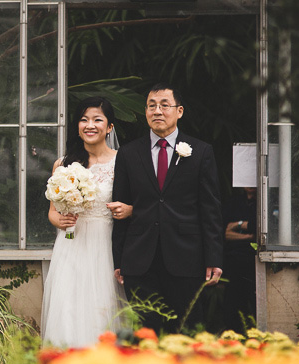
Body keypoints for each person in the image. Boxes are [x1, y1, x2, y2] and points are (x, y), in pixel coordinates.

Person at [111, 83, 224, 333]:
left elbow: (210, 210)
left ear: (179, 111)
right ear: (146, 111)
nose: (157, 111)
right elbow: (119, 208)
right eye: (152, 106)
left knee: (186, 329)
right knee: (145, 332)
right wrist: (119, 260)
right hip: (139, 260)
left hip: (187, 259)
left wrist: (214, 258)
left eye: (164, 105)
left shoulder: (201, 151)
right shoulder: (129, 154)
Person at [41, 96, 132, 348]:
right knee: (68, 306)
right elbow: (52, 212)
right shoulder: (64, 164)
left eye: (97, 120)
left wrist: (129, 209)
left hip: (106, 244)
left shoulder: (123, 162)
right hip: (71, 244)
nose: (89, 125)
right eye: (83, 120)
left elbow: (139, 204)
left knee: (102, 306)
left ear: (110, 127)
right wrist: (60, 220)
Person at [219, 187, 257, 332]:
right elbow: (226, 233)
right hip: (234, 262)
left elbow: (261, 232)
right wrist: (249, 235)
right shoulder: (234, 203)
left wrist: (238, 226)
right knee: (232, 307)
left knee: (254, 306)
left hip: (254, 261)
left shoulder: (266, 202)